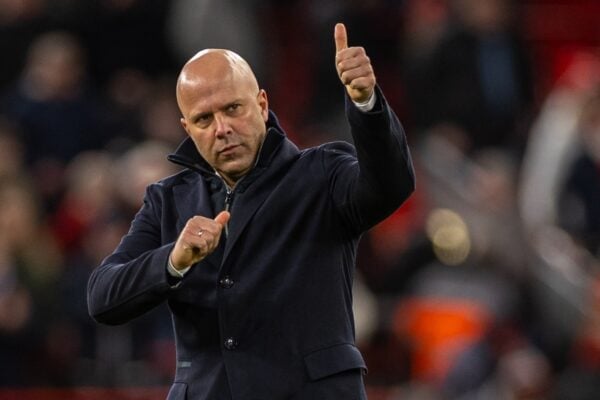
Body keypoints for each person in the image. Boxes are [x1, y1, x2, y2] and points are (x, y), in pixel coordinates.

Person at [87, 23, 415, 399]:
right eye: (203, 119)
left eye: (232, 109)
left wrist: (366, 104)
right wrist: (173, 261)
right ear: (186, 128)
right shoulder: (168, 201)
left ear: (261, 104)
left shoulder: (321, 174)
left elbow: (391, 187)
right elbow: (102, 297)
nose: (222, 129)